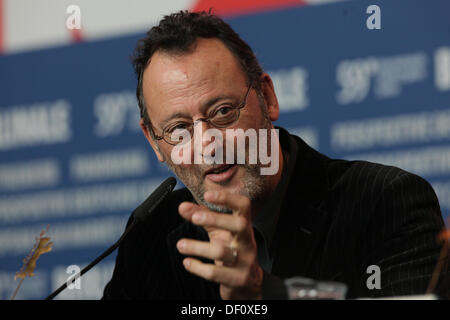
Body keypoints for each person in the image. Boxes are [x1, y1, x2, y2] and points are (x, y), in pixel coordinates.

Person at [102, 11, 449, 300]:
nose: (206, 143)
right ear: (153, 141)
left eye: (223, 111)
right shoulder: (151, 237)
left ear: (268, 98)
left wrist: (263, 291)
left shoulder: (384, 202)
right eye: (179, 130)